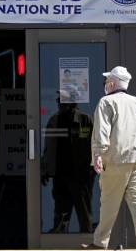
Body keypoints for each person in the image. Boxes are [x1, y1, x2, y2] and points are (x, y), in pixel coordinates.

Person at [81, 66, 136, 250]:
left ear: (112, 83)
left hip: (117, 158)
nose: (105, 84)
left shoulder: (106, 102)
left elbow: (102, 131)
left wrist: (98, 153)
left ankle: (99, 243)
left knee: (109, 201)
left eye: (107, 81)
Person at [42, 91, 96, 233]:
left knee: (84, 214)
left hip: (81, 177)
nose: (59, 103)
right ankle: (59, 244)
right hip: (61, 175)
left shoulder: (85, 120)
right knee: (60, 215)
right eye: (59, 100)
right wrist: (45, 169)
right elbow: (48, 148)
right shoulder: (54, 120)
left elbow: (96, 146)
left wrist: (92, 171)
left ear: (72, 103)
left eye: (63, 100)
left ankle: (88, 243)